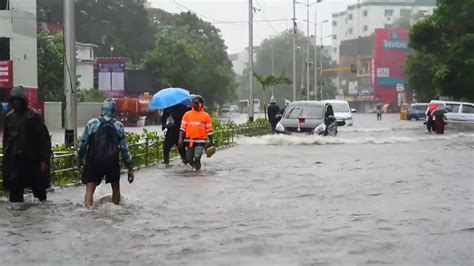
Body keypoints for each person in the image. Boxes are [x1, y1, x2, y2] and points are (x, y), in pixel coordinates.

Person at [76, 98, 134, 209]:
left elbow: (83, 144)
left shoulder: (92, 123)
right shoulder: (119, 126)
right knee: (116, 189)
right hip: (112, 161)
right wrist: (130, 168)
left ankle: (89, 212)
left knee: (90, 189)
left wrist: (79, 158)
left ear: (102, 109)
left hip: (93, 160)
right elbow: (124, 149)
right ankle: (116, 209)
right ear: (114, 111)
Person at [2, 86, 52, 203]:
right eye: (13, 100)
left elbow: (44, 139)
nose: (16, 103)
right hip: (15, 162)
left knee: (39, 194)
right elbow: (6, 139)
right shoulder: (9, 118)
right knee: (15, 194)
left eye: (18, 100)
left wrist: (45, 160)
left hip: (32, 160)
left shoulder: (33, 116)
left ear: (23, 100)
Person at [178, 96, 214, 171]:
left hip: (200, 141)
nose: (195, 105)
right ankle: (196, 169)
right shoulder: (187, 115)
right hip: (189, 141)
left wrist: (211, 142)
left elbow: (209, 130)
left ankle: (198, 171)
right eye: (193, 103)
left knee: (197, 156)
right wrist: (180, 139)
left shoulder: (206, 116)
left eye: (197, 103)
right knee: (189, 158)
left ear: (201, 104)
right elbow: (182, 128)